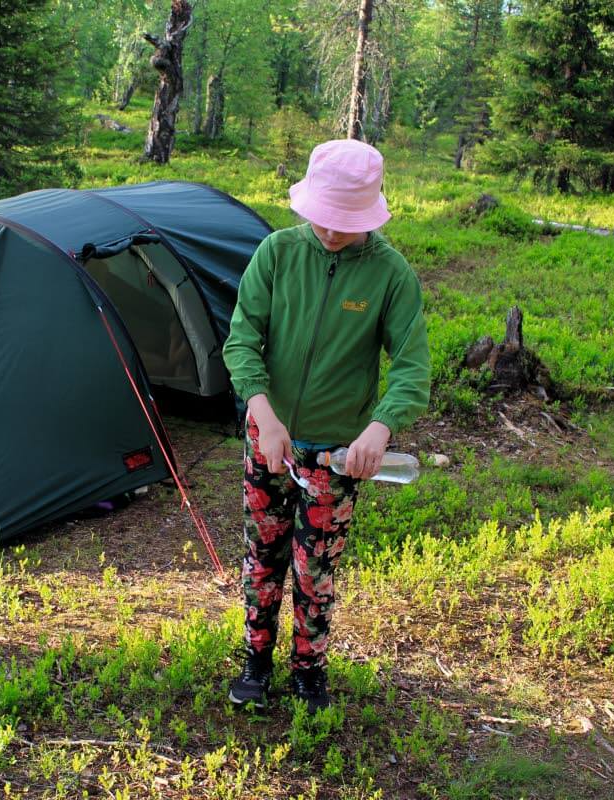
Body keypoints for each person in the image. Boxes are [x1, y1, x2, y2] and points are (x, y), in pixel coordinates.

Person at [222, 139, 430, 710]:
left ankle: (309, 668)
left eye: (343, 222)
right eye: (322, 218)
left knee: (317, 566)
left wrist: (380, 428)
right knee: (263, 554)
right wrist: (261, 413)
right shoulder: (277, 253)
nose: (329, 233)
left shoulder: (391, 275)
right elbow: (242, 342)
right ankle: (255, 660)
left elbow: (412, 369)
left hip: (337, 455)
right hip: (270, 443)